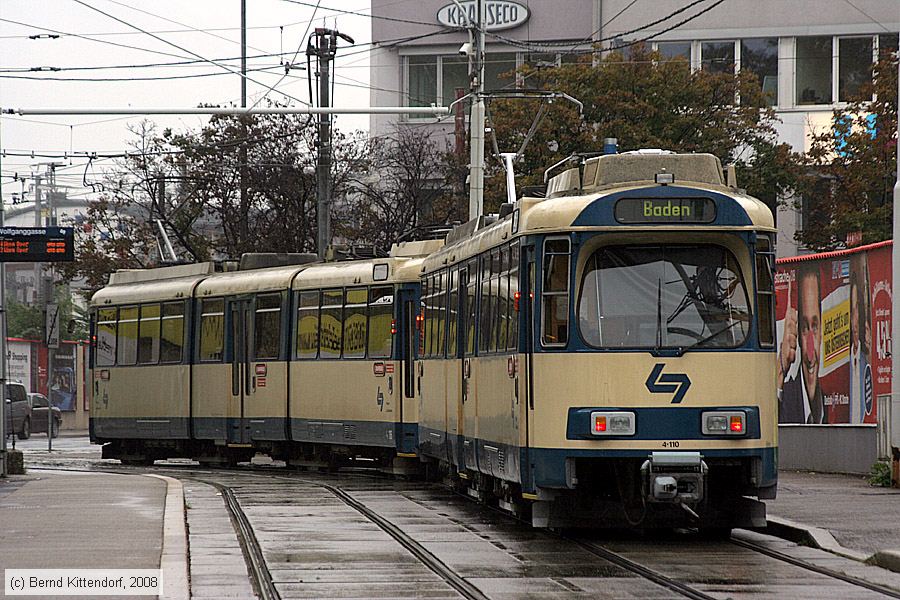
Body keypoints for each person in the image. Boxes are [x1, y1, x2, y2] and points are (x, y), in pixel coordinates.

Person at [777, 264, 826, 423]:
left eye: (815, 327)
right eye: (804, 328)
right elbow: (766, 425)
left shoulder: (826, 404)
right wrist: (780, 369)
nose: (810, 352)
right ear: (796, 335)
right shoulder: (786, 396)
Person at [849, 256, 873, 422]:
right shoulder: (846, 365)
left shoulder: (867, 360)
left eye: (857, 307)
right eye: (851, 309)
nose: (854, 316)